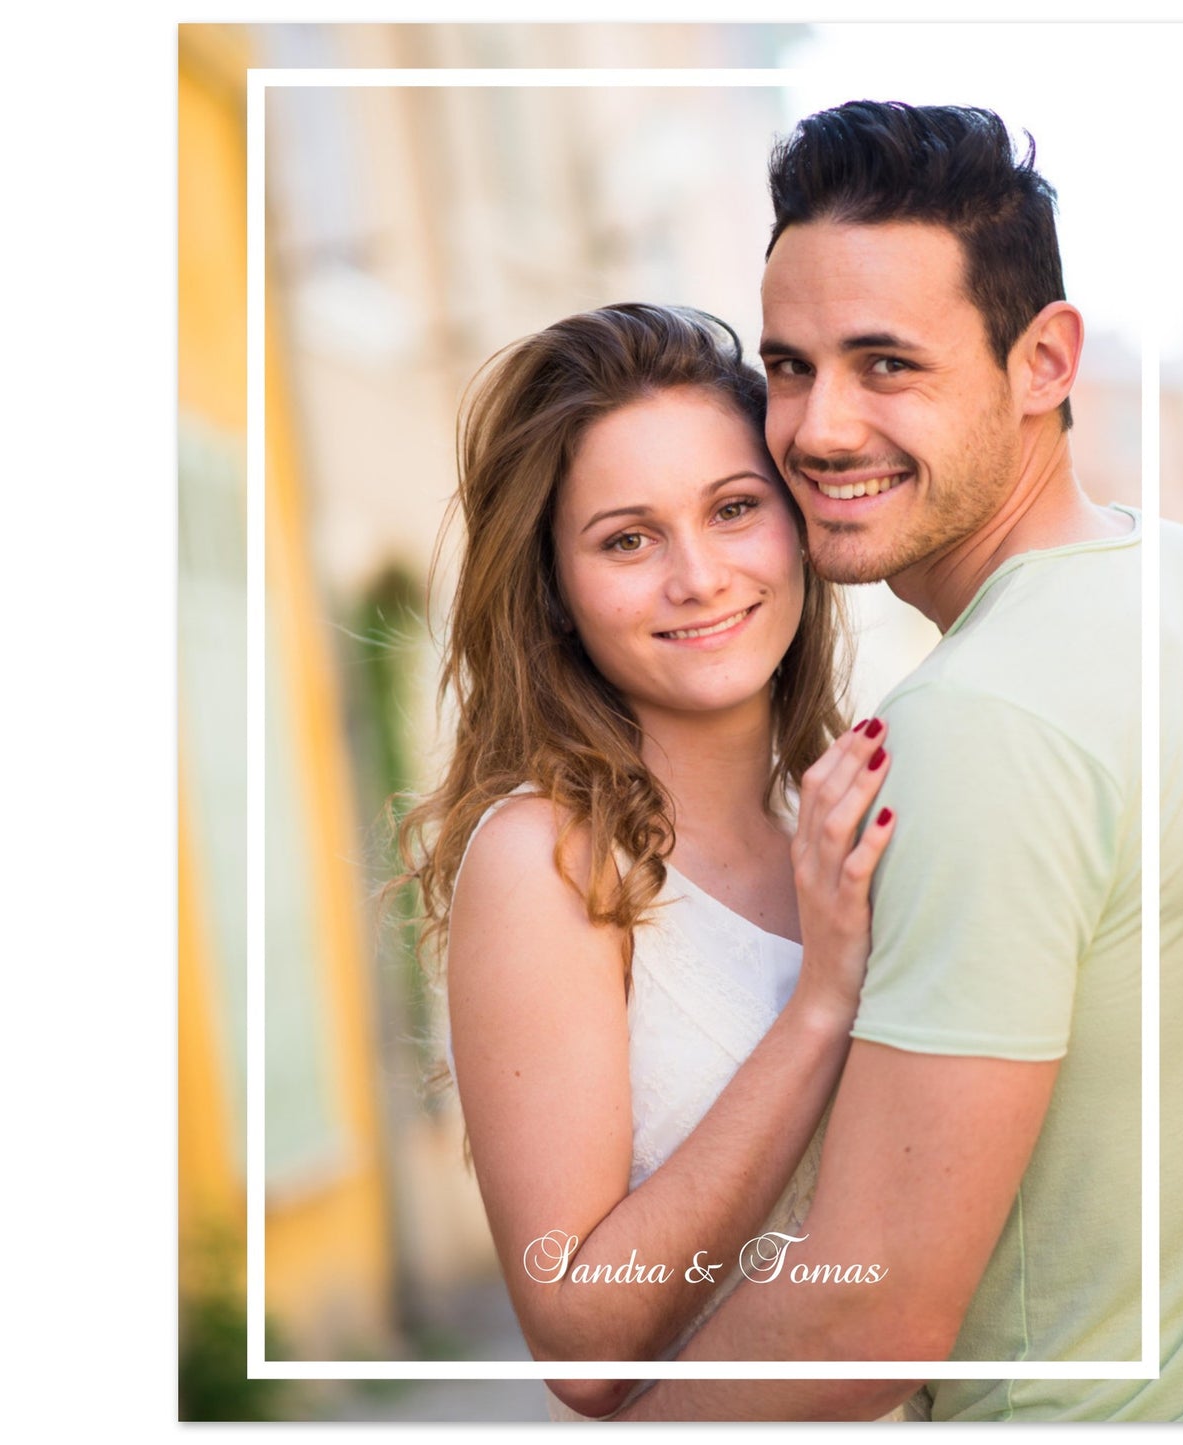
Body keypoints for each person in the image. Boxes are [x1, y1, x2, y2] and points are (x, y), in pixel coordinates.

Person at [614, 102, 1183, 1422]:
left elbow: (868, 1310)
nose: (817, 429)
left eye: (886, 364)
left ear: (1044, 359)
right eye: (790, 366)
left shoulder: (978, 722)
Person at [396, 302, 929, 1420]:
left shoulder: (839, 823)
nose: (697, 576)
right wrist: (819, 1002)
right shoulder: (546, 860)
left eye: (734, 509)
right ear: (554, 587)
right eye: (626, 538)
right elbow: (582, 1337)